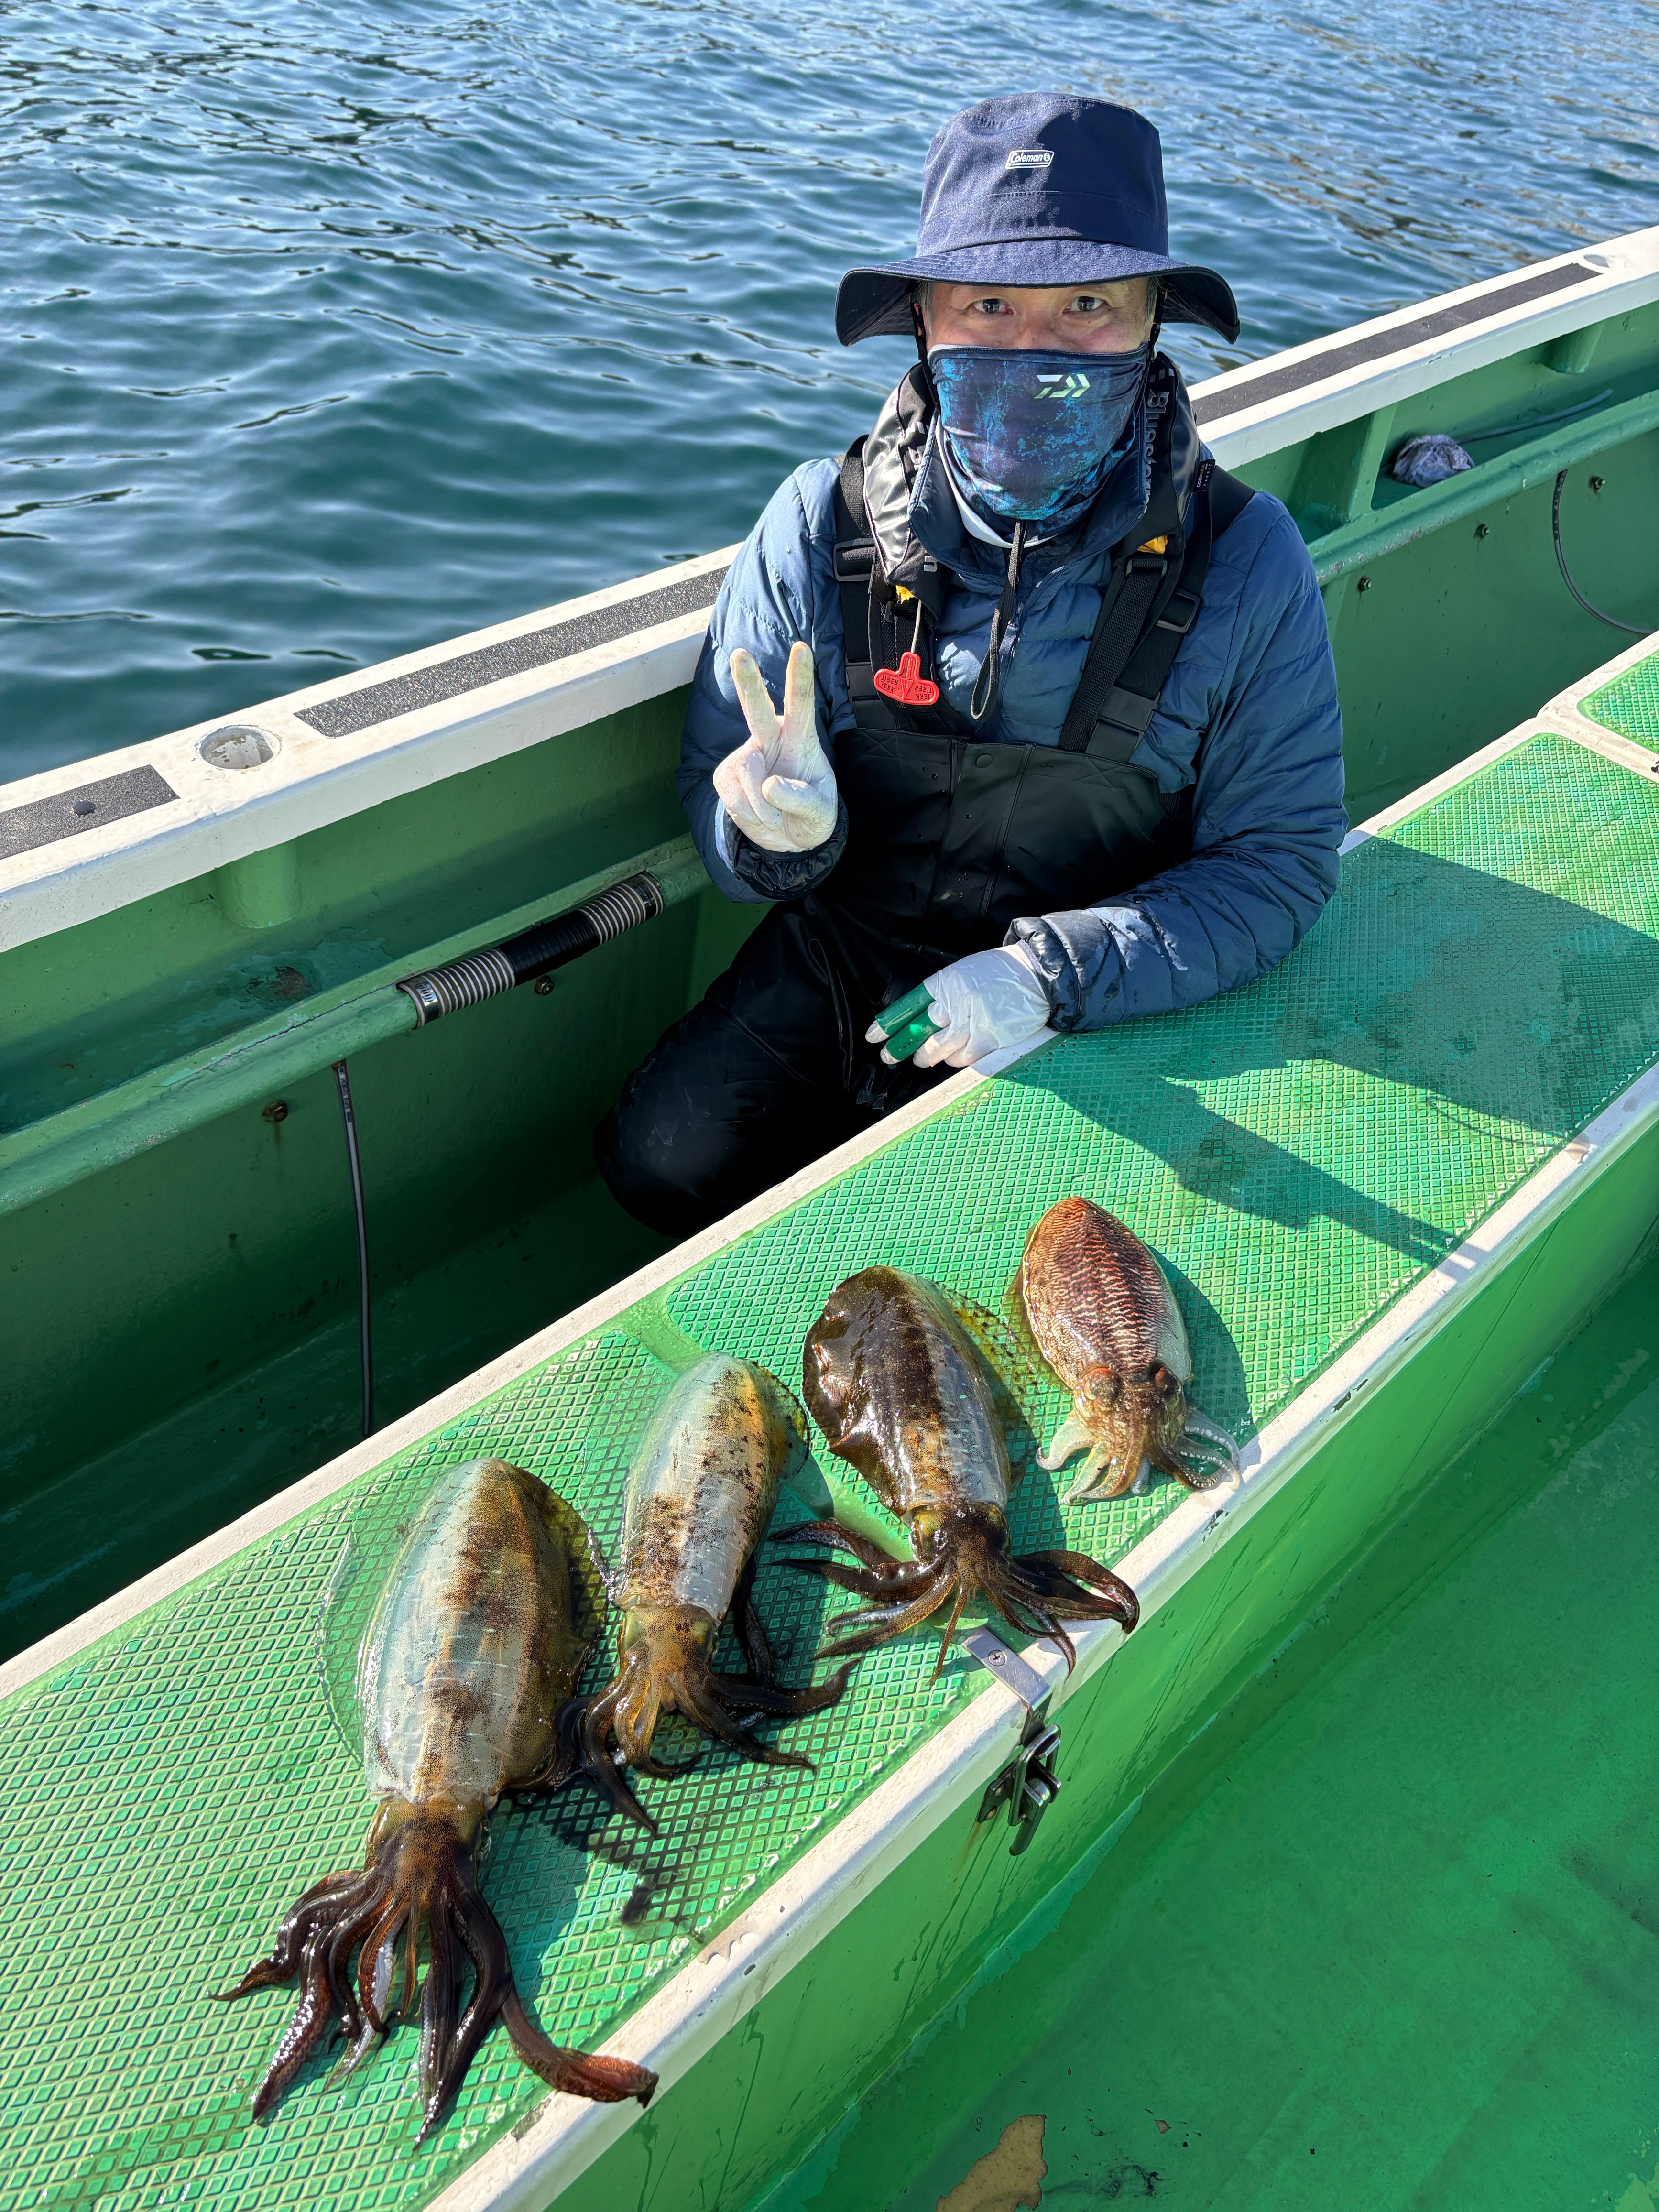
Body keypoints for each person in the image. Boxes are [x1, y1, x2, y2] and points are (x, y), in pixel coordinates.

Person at [597, 92, 1345, 1239]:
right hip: (847, 945)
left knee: (1008, 1240)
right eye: (988, 303)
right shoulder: (814, 524)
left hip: (1092, 992)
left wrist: (1047, 974)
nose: (1035, 347)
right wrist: (767, 837)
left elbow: (1277, 865)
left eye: (1088, 305)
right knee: (664, 1161)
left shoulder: (1246, 560)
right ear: (926, 327)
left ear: (1152, 327)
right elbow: (726, 810)